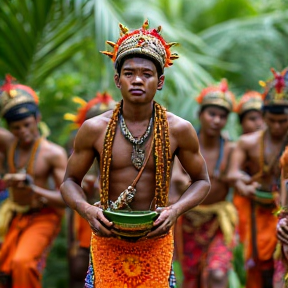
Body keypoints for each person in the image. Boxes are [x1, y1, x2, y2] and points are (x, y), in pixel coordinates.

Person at [60, 19, 211, 288]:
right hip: (108, 236)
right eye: (129, 73)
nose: (138, 80)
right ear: (117, 80)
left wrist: (175, 211)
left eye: (147, 74)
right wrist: (86, 210)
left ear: (160, 81)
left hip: (156, 237)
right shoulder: (95, 129)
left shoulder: (178, 129)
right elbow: (69, 181)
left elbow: (202, 181)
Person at [0, 75, 68, 288]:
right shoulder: (9, 143)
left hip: (44, 216)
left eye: (27, 125)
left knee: (22, 263)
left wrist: (33, 188)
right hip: (15, 214)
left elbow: (66, 198)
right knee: (4, 271)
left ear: (37, 119)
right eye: (16, 127)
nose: (23, 132)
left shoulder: (53, 153)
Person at [172, 79, 237, 288]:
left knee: (217, 274)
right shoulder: (183, 144)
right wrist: (180, 180)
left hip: (218, 221)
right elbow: (175, 177)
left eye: (222, 116)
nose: (217, 120)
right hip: (187, 220)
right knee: (191, 281)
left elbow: (235, 175)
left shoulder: (231, 149)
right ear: (200, 115)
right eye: (212, 114)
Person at [227, 68, 288, 288]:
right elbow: (232, 173)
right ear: (263, 117)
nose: (278, 126)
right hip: (255, 208)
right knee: (259, 265)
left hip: (283, 211)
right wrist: (243, 184)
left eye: (283, 121)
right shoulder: (248, 142)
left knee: (278, 261)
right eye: (272, 120)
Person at [64, 92, 116, 288]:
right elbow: (70, 182)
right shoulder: (79, 145)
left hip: (116, 216)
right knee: (79, 266)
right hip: (86, 214)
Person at [233, 91, 264, 245]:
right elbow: (233, 173)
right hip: (247, 202)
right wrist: (243, 184)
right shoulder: (240, 144)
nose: (259, 123)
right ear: (242, 122)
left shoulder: (279, 142)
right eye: (252, 118)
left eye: (262, 117)